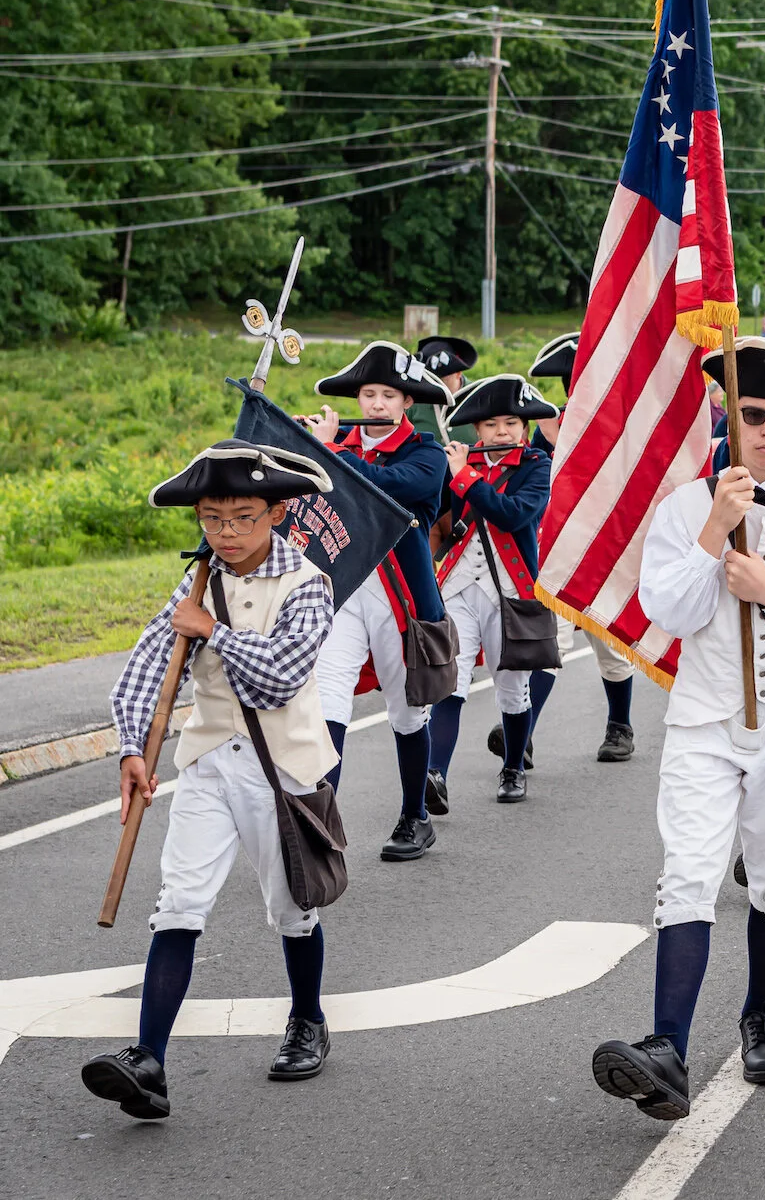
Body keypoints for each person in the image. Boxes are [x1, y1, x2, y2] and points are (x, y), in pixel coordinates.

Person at [591, 338, 765, 1121]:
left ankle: (760, 1015)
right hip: (704, 721)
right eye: (755, 413)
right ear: (732, 412)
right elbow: (667, 611)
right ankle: (666, 1049)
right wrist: (716, 529)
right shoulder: (687, 505)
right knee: (687, 875)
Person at [83, 443, 341, 1120]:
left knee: (292, 907)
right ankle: (148, 1060)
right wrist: (132, 748)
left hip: (282, 768)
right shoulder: (197, 580)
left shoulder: (307, 582)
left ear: (277, 512)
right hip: (207, 763)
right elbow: (148, 663)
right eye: (211, 518)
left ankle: (308, 1018)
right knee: (179, 901)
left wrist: (214, 632)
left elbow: (282, 676)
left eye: (242, 517)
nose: (226, 532)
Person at [302, 342, 452, 862]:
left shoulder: (427, 452)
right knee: (326, 708)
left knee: (408, 712)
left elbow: (391, 485)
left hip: (401, 602)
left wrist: (330, 452)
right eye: (368, 394)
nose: (377, 404)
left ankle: (416, 815)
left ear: (406, 402)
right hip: (342, 598)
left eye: (389, 394)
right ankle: (319, 829)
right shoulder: (334, 447)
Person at [426, 374, 556, 810]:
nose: (502, 432)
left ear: (524, 428)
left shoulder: (537, 465)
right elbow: (437, 517)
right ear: (477, 430)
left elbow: (514, 515)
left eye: (512, 423)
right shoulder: (459, 464)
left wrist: (464, 477)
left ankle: (514, 766)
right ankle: (435, 774)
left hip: (512, 592)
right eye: (492, 425)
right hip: (458, 586)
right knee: (450, 682)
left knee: (511, 688)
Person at [524, 331, 640, 765]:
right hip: (556, 543)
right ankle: (524, 733)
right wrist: (551, 440)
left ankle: (620, 724)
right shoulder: (549, 423)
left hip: (607, 543)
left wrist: (561, 443)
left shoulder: (624, 418)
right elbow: (536, 482)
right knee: (549, 644)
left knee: (609, 640)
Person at [409, 335, 479, 446]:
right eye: (429, 379)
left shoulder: (478, 396)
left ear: (458, 373)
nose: (434, 385)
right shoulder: (412, 401)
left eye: (442, 379)